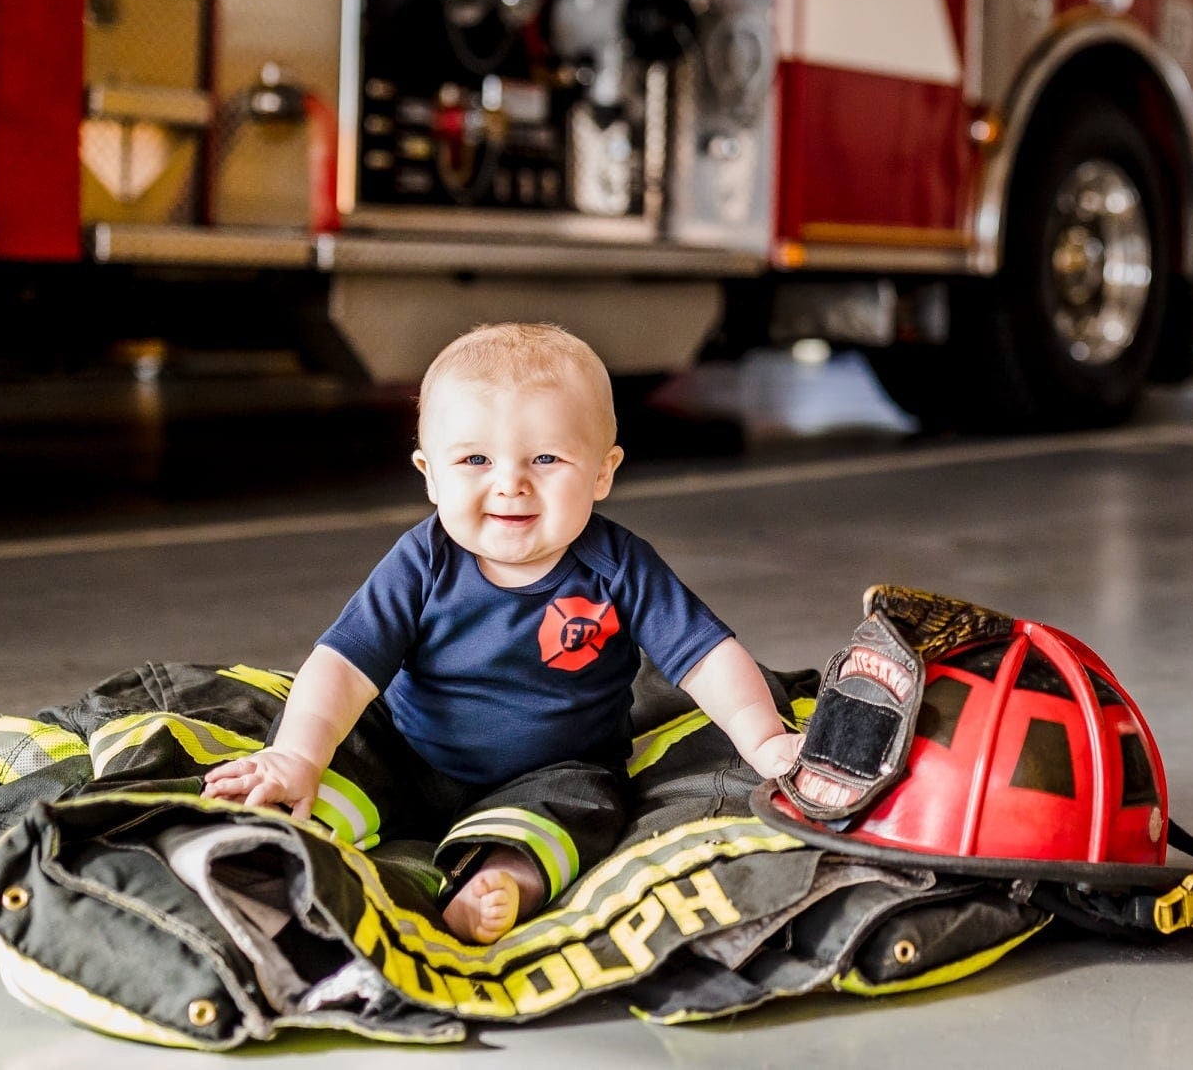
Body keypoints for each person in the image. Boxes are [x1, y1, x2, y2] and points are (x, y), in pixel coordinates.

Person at [203, 323, 801, 943]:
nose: (510, 483)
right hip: (409, 752)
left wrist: (763, 742)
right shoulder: (422, 561)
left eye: (545, 458)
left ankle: (502, 878)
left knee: (584, 808)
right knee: (339, 761)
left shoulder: (619, 566)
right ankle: (291, 844)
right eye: (475, 460)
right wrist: (299, 755)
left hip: (554, 767)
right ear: (430, 475)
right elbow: (343, 666)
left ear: (602, 472)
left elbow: (706, 656)